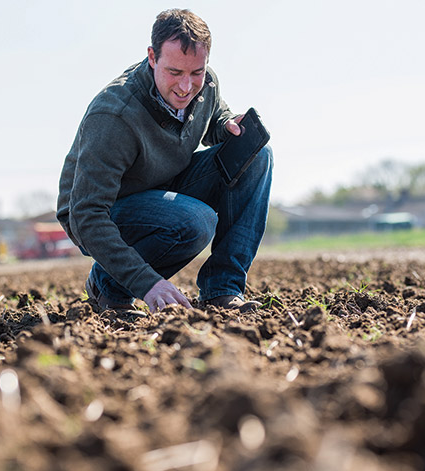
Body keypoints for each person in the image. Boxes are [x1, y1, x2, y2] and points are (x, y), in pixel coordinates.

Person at [56, 8, 274, 314]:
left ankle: (222, 288)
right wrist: (147, 283)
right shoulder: (114, 116)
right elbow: (86, 214)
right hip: (102, 208)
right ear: (152, 57)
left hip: (164, 183)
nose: (186, 87)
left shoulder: (206, 85)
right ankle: (108, 285)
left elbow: (211, 118)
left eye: (196, 72)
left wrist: (225, 126)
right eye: (175, 73)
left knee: (256, 155)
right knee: (194, 222)